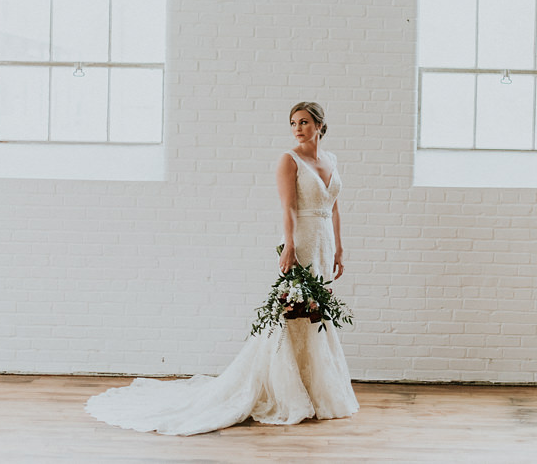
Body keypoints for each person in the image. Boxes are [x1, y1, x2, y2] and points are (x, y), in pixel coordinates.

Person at [84, 102, 360, 435]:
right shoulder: (289, 160)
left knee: (318, 315)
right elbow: (286, 207)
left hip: (325, 242)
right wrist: (289, 245)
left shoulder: (331, 161)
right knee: (291, 315)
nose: (297, 128)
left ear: (319, 126)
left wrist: (340, 249)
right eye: (292, 123)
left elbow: (334, 208)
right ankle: (284, 391)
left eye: (304, 122)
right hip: (301, 240)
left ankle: (317, 390)